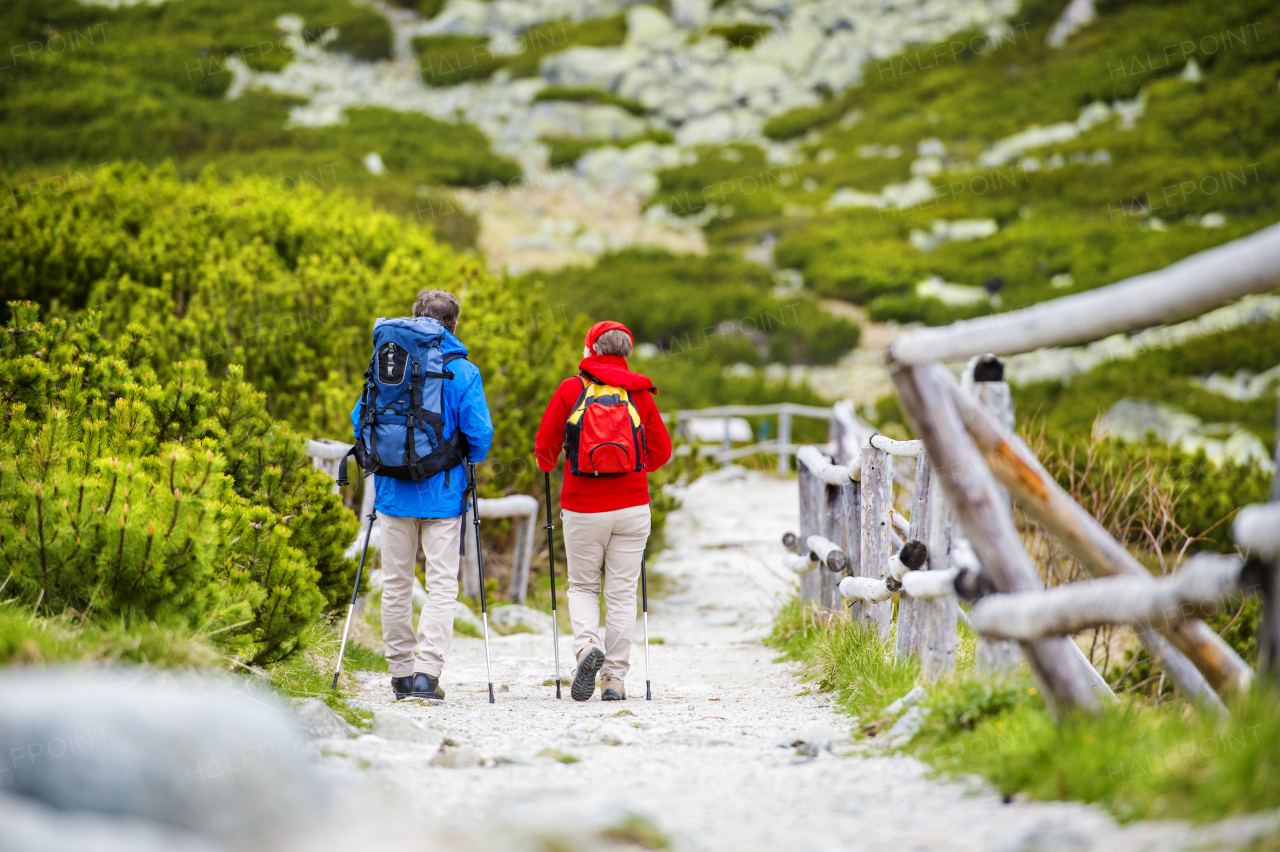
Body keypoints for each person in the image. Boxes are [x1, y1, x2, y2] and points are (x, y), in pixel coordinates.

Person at [351, 289, 493, 701]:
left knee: (395, 582)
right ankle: (427, 675)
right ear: (454, 324)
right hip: (444, 498)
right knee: (442, 584)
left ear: (416, 318)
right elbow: (480, 434)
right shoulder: (463, 371)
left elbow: (360, 419)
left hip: (392, 493)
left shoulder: (386, 364)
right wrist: (467, 457)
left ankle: (399, 674)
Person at [535, 321, 672, 701]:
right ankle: (614, 680)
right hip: (632, 506)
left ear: (591, 349)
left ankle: (585, 650)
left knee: (582, 585)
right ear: (626, 352)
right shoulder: (639, 392)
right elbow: (661, 452)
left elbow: (545, 445)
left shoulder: (571, 389)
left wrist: (549, 464)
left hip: (582, 506)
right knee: (622, 594)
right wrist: (632, 468)